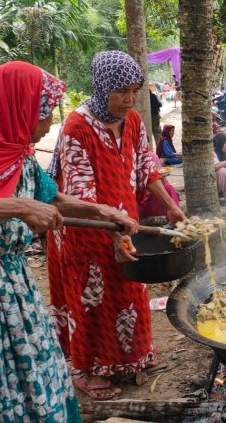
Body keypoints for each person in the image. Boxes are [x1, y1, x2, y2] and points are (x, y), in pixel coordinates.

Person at [0, 61, 138, 418]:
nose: (50, 124)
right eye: (45, 114)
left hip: (15, 290)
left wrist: (104, 212)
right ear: (17, 108)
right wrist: (16, 206)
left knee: (34, 372)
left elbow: (52, 197)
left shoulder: (18, 153)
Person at [46, 51, 187, 400]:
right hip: (85, 226)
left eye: (135, 90)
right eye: (121, 91)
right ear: (103, 86)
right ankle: (88, 370)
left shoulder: (134, 120)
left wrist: (171, 207)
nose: (129, 98)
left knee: (128, 289)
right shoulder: (78, 127)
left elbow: (146, 168)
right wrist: (111, 228)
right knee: (93, 298)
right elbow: (79, 190)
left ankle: (129, 361)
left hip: (125, 220)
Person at [139, 153, 181, 219]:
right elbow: (169, 153)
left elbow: (155, 176)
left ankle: (174, 215)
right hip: (137, 199)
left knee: (167, 187)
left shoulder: (152, 156)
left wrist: (162, 179)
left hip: (153, 197)